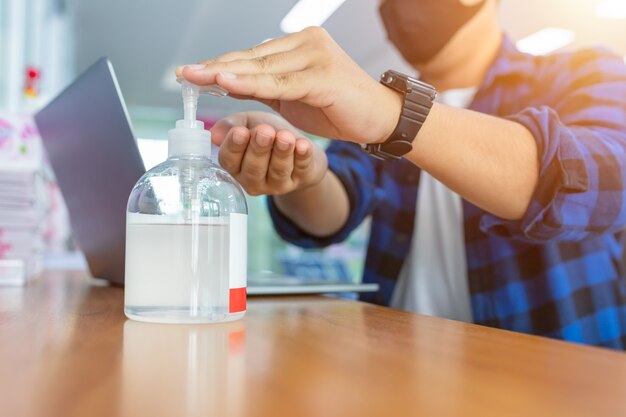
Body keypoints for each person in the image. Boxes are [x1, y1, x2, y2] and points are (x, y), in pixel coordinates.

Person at [177, 0, 626, 349]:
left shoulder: (581, 71)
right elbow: (334, 209)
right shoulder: (375, 108)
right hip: (397, 362)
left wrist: (395, 115)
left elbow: (605, 180)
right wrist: (300, 167)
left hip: (540, 377)